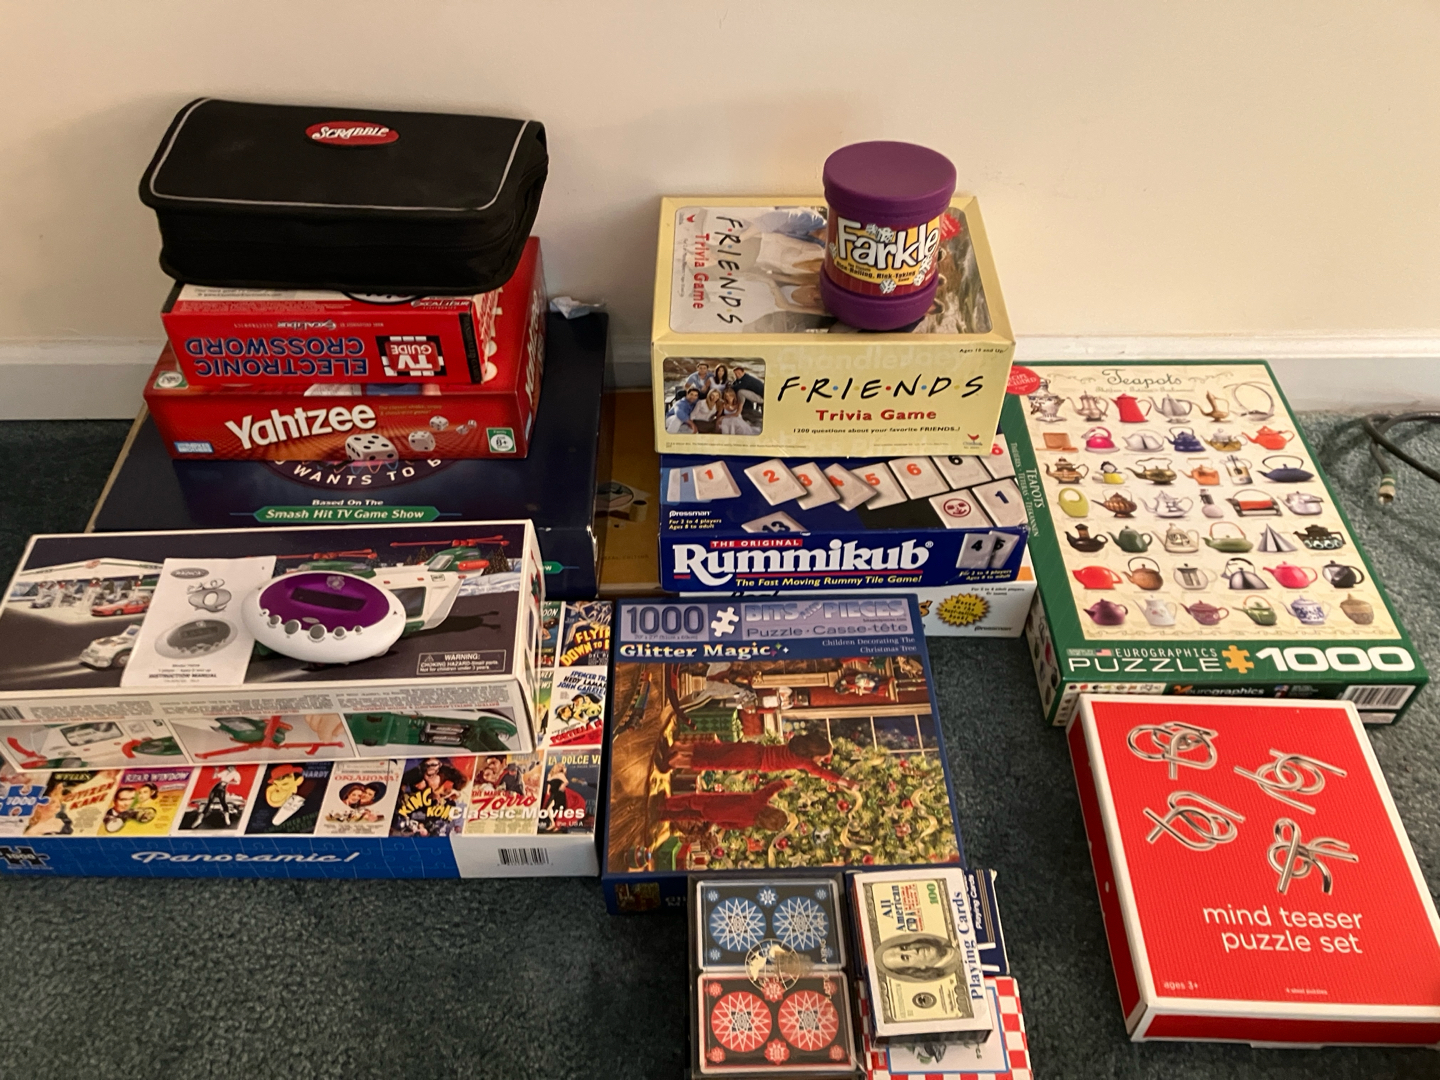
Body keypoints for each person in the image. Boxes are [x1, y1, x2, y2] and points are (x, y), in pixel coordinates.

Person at [657, 732, 854, 786]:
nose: (821, 761)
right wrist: (845, 781)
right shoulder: (804, 761)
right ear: (817, 752)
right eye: (823, 757)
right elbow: (823, 773)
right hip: (753, 761)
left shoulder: (797, 745)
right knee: (713, 762)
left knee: (715, 751)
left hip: (753, 748)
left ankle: (679, 747)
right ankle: (676, 762)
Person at [653, 778, 792, 832]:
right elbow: (730, 825)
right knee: (689, 815)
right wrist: (718, 821)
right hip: (714, 816)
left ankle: (665, 804)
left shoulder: (759, 802)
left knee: (689, 801)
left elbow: (769, 790)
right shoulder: (751, 822)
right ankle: (664, 816)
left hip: (714, 802)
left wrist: (784, 783)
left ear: (773, 810)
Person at [876, 935, 965, 982]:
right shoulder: (952, 969)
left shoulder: (950, 937)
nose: (914, 950)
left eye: (904, 947)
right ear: (916, 969)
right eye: (906, 957)